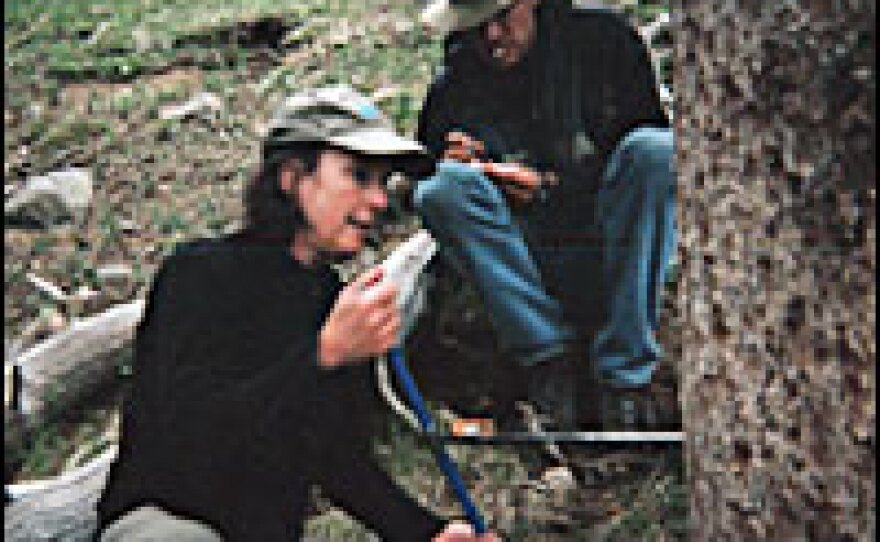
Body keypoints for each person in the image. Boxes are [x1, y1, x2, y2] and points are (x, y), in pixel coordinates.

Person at [97, 86, 500, 542]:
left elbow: (338, 459)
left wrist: (429, 533)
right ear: (291, 178)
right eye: (359, 175)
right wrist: (321, 355)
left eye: (383, 182)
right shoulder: (201, 273)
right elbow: (189, 433)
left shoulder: (328, 301)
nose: (380, 200)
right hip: (165, 522)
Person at [414, 0, 675, 430]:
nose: (491, 38)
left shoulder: (605, 45)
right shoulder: (455, 87)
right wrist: (462, 165)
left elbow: (643, 171)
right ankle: (549, 364)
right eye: (476, 27)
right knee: (444, 190)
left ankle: (626, 376)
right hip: (525, 263)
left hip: (617, 245)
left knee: (656, 153)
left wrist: (546, 188)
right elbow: (423, 184)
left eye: (501, 19)